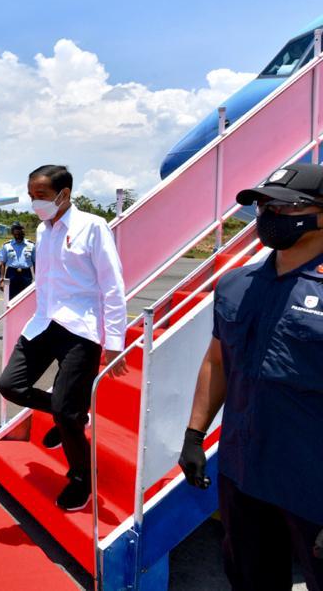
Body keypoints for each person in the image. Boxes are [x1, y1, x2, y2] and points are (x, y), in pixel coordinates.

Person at [178, 163, 323, 590]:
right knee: (249, 578)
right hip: (244, 474)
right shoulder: (236, 284)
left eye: (284, 206)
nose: (268, 215)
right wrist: (193, 435)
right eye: (262, 204)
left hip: (311, 481)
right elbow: (218, 362)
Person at [0, 165, 126, 512]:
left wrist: (115, 340)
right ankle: (65, 412)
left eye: (40, 195)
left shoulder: (93, 227)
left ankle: (82, 478)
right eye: (31, 195)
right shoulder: (43, 230)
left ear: (64, 194)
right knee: (10, 385)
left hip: (81, 329)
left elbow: (112, 285)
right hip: (44, 323)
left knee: (67, 413)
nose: (34, 203)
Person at [0, 222, 36, 301]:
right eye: (16, 235)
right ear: (12, 234)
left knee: (26, 299)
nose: (18, 237)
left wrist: (38, 280)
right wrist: (1, 280)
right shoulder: (7, 246)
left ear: (24, 233)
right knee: (10, 299)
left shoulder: (31, 245)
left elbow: (36, 263)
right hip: (11, 273)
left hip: (26, 274)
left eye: (20, 235)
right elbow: (2, 264)